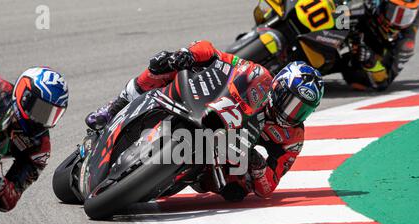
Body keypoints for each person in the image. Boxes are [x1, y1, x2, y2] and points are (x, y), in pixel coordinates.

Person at [85, 40, 324, 201]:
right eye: (291, 102)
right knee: (163, 66)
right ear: (278, 87)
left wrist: (258, 164)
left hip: (230, 153)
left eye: (302, 110)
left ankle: (174, 176)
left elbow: (268, 187)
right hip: (211, 108)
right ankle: (115, 106)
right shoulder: (257, 75)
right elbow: (214, 54)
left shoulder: (293, 137)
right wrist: (185, 56)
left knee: (236, 192)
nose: (292, 113)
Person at [0, 67, 69, 224]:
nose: (42, 120)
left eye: (51, 115)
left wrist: (1, 186)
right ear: (24, 95)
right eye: (40, 109)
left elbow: (10, 200)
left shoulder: (39, 146)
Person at [344, 0, 419, 90]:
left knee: (358, 82)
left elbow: (383, 82)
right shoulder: (371, 7)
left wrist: (370, 61)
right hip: (362, 18)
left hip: (367, 50)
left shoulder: (406, 41)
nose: (397, 23)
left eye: (407, 16)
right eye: (393, 11)